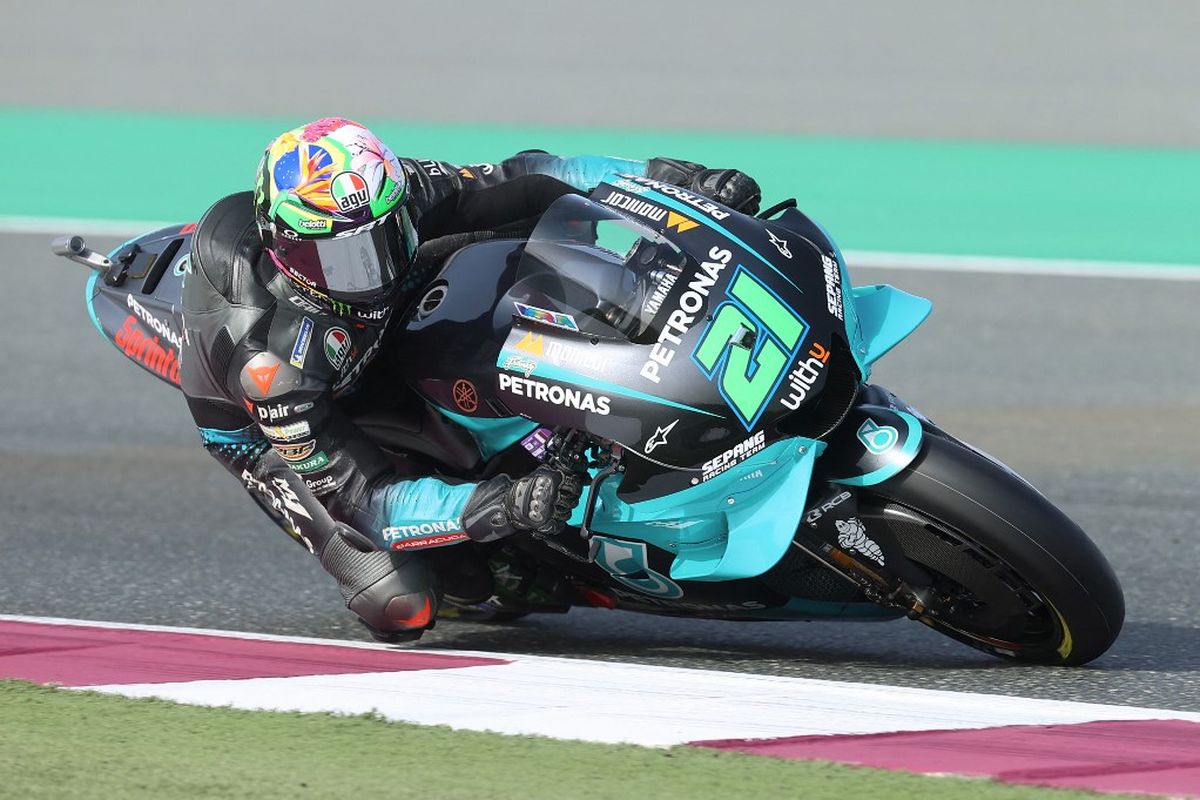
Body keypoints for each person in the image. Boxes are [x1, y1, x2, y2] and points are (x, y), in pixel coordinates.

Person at [180, 117, 761, 642]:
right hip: (277, 426)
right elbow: (368, 499)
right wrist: (504, 503)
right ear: (291, 254)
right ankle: (484, 569)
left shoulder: (390, 191)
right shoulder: (272, 365)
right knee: (400, 602)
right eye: (345, 260)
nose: (375, 269)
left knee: (528, 224)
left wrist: (669, 180)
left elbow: (533, 175)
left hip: (373, 329)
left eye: (385, 240)